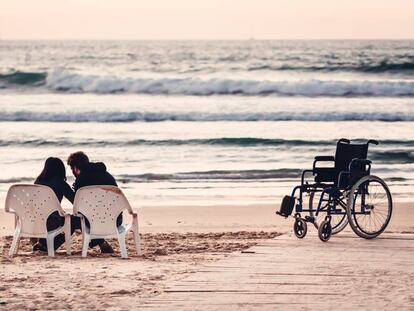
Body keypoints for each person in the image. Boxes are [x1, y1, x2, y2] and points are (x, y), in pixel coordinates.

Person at [67, 151, 121, 253]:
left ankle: (44, 246)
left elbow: (79, 208)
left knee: (73, 220)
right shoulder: (106, 174)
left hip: (94, 221)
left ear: (75, 168)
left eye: (71, 169)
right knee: (88, 217)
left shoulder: (81, 181)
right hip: (115, 219)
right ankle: (101, 243)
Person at [33, 157, 75, 252]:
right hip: (52, 222)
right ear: (61, 170)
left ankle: (42, 244)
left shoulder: (37, 182)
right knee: (74, 221)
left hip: (35, 220)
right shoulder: (60, 183)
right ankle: (49, 246)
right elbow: (75, 201)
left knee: (53, 217)